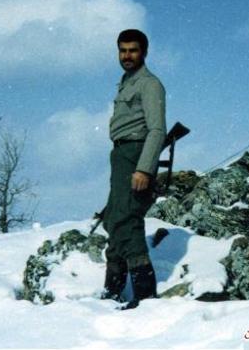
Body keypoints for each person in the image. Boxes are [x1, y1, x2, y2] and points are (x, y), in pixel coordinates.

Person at [101, 28, 167, 310]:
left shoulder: (149, 84)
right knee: (114, 219)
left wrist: (144, 169)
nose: (127, 55)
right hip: (120, 155)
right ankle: (112, 293)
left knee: (128, 220)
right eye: (123, 50)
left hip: (135, 155)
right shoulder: (126, 83)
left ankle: (146, 297)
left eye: (133, 50)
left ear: (144, 52)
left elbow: (157, 130)